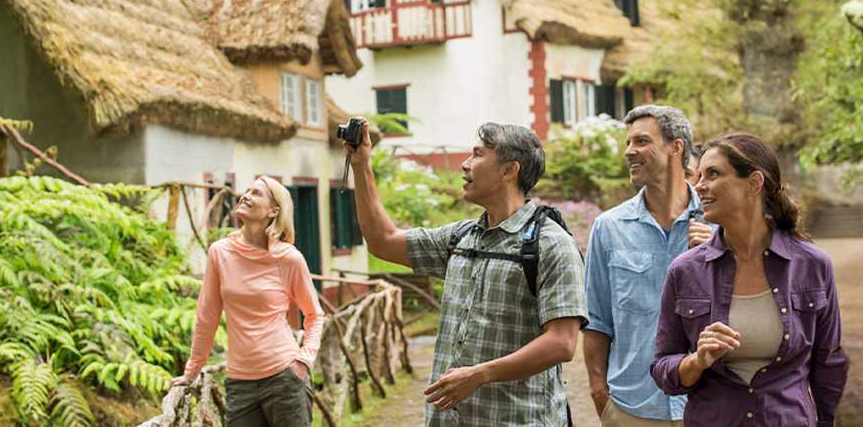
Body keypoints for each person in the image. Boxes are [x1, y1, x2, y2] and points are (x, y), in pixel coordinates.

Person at [346, 119, 586, 426]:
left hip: (518, 420)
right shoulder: (460, 238)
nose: (464, 164)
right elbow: (382, 241)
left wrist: (480, 374)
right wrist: (361, 163)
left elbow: (562, 343)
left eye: (477, 154)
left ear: (508, 170)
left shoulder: (552, 245)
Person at [651, 133, 848, 426]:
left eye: (713, 174)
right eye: (700, 175)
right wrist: (696, 360)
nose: (699, 186)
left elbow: (828, 362)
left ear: (754, 183)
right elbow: (662, 367)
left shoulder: (812, 265)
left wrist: (824, 421)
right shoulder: (685, 270)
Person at [170, 176, 325, 427]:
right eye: (246, 191)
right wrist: (192, 371)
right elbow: (206, 316)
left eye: (256, 193)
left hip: (284, 376)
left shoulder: (289, 258)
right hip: (240, 382)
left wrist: (304, 359)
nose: (246, 195)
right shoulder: (220, 252)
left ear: (274, 211)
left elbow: (314, 314)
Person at [583, 105, 699, 427]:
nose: (629, 152)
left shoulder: (719, 226)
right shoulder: (608, 227)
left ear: (676, 147)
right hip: (631, 409)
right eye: (628, 143)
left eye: (642, 141)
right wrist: (600, 396)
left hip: (706, 407)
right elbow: (595, 321)